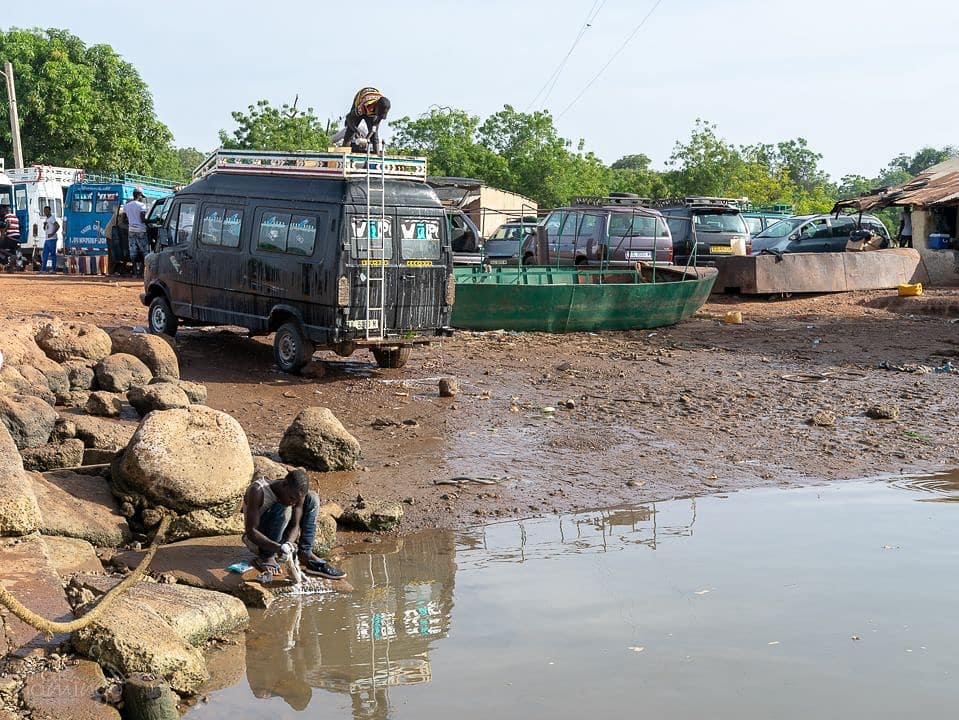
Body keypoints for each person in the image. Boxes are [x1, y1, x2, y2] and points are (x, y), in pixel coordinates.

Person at [242, 469, 347, 580]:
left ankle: (305, 554)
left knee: (312, 498)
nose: (293, 503)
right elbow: (251, 531)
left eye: (296, 500)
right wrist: (277, 548)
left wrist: (288, 545)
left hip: (280, 538)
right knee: (283, 509)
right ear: (284, 484)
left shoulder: (295, 495)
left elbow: (295, 525)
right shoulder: (258, 491)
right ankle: (266, 556)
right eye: (291, 498)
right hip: (258, 541)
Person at [339, 87, 391, 153]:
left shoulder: (382, 109)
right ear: (376, 107)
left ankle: (376, 160)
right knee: (349, 133)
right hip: (361, 98)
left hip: (372, 104)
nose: (379, 117)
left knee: (374, 137)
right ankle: (344, 156)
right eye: (379, 114)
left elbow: (374, 127)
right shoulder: (364, 106)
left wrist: (367, 139)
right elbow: (349, 117)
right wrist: (356, 130)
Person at [124, 189, 149, 277]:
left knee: (133, 252)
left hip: (131, 230)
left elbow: (124, 219)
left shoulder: (126, 206)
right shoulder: (142, 205)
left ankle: (135, 272)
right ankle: (141, 273)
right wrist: (153, 220)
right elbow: (143, 219)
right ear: (139, 195)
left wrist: (132, 221)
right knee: (144, 252)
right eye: (141, 196)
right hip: (141, 231)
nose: (142, 198)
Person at [40, 205, 60, 274]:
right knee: (44, 254)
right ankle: (43, 269)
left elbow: (57, 226)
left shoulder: (52, 218)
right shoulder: (47, 219)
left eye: (46, 211)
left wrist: (52, 233)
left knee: (52, 254)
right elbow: (46, 228)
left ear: (49, 211)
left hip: (52, 239)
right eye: (44, 211)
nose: (45, 212)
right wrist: (44, 225)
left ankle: (53, 269)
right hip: (47, 239)